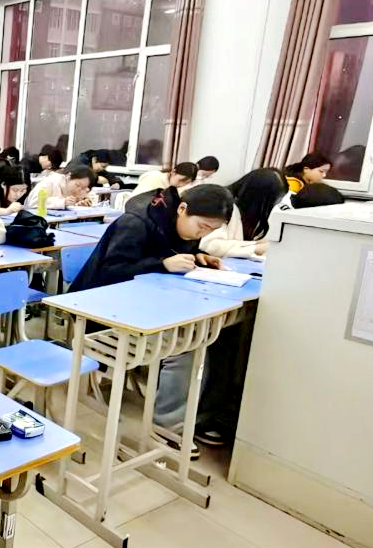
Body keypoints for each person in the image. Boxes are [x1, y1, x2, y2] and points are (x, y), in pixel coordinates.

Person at [69, 184, 233, 441]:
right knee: (186, 347)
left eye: (211, 230)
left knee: (212, 337)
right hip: (101, 312)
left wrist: (200, 256)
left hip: (145, 306)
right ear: (182, 209)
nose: (203, 233)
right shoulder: (135, 223)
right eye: (203, 227)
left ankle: (197, 418)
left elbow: (175, 251)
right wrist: (161, 264)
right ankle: (167, 429)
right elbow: (111, 271)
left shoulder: (181, 224)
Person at [201, 168, 287, 258]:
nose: (274, 205)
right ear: (259, 197)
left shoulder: (253, 214)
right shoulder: (221, 206)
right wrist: (255, 248)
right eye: (273, 200)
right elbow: (208, 246)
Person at [25, 164, 96, 210]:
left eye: (83, 188)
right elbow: (34, 202)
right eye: (77, 185)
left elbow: (91, 197)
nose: (79, 190)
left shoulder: (81, 191)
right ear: (69, 176)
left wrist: (82, 202)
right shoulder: (50, 182)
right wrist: (62, 202)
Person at [131, 162, 198, 197]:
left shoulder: (172, 187)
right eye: (181, 180)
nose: (181, 185)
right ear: (173, 172)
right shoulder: (156, 178)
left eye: (186, 183)